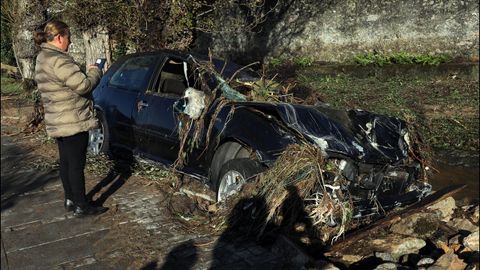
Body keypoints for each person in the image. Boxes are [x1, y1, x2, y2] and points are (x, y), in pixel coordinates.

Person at [34, 20, 107, 217]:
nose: (70, 41)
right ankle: (82, 205)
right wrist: (95, 71)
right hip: (72, 119)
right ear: (59, 38)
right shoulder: (59, 60)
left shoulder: (42, 57)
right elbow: (82, 85)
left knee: (66, 162)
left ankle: (70, 199)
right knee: (76, 164)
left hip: (57, 118)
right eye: (68, 37)